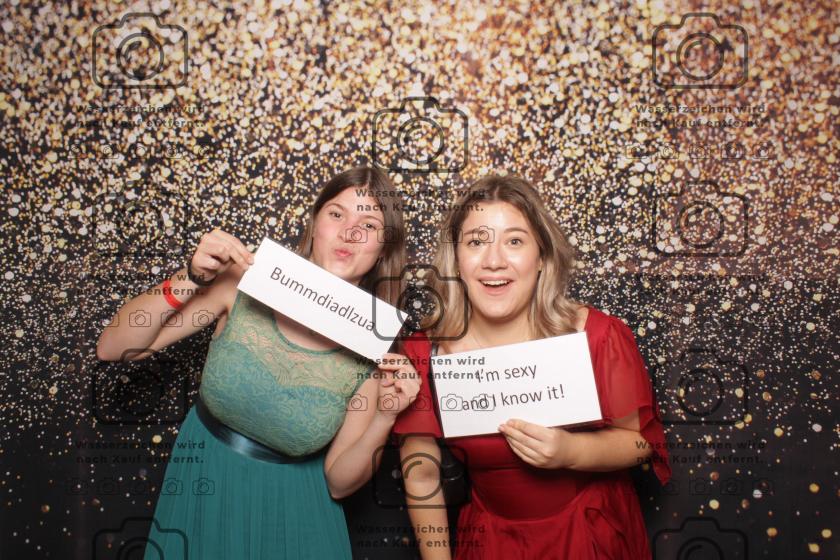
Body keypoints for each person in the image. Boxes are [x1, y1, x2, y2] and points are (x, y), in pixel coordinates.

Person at [96, 166, 421, 560]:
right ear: (314, 222)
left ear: (384, 249)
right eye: (337, 214)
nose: (349, 232)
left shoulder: (374, 347)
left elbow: (339, 483)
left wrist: (385, 417)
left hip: (297, 519)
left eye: (368, 225)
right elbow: (114, 347)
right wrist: (191, 277)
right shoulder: (243, 281)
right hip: (205, 491)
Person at [394, 174, 670, 559]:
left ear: (541, 257)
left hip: (590, 534)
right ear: (455, 259)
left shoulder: (598, 335)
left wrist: (571, 451)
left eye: (514, 241)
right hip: (490, 542)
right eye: (476, 242)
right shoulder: (425, 351)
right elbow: (422, 475)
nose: (494, 261)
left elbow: (641, 444)